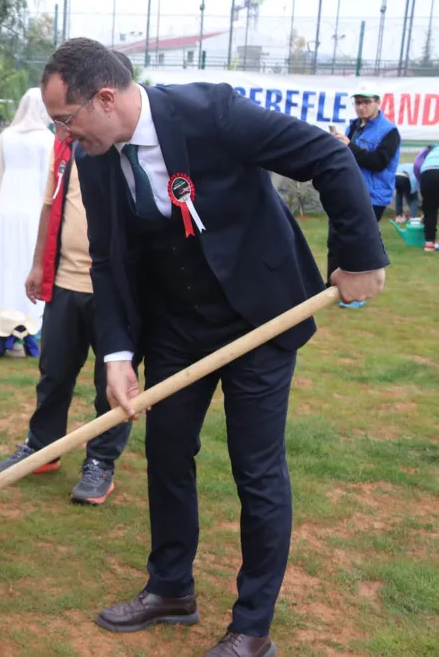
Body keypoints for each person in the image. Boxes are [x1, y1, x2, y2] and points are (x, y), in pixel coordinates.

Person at [40, 38, 387, 657]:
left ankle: (252, 628)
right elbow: (112, 262)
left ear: (106, 98)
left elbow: (327, 158)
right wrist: (117, 355)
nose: (63, 137)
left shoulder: (212, 113)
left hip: (261, 316)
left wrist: (359, 258)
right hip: (179, 325)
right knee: (169, 453)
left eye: (66, 121)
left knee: (256, 469)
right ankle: (170, 588)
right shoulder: (93, 158)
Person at [0, 53, 137, 506]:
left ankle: (100, 462)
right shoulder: (72, 151)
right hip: (67, 284)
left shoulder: (129, 156)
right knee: (53, 374)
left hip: (115, 294)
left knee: (108, 383)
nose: (69, 129)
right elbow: (51, 206)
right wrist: (39, 265)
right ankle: (42, 447)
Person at [0, 88, 53, 324]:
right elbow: (49, 179)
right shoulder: (46, 138)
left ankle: (1, 310)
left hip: (8, 207)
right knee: (30, 259)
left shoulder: (6, 136)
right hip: (34, 206)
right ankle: (33, 314)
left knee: (5, 260)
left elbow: (0, 174)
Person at [328, 84, 399, 308]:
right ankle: (331, 286)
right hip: (349, 189)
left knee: (357, 243)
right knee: (335, 239)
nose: (361, 107)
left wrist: (351, 147)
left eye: (366, 102)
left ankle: (356, 294)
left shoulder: (389, 131)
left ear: (378, 102)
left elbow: (379, 162)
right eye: (358, 102)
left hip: (373, 196)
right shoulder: (354, 126)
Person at [413, 144, 439, 251]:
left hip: (427, 174)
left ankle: (429, 244)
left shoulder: (429, 148)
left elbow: (416, 165)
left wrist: (422, 183)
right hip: (428, 172)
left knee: (430, 210)